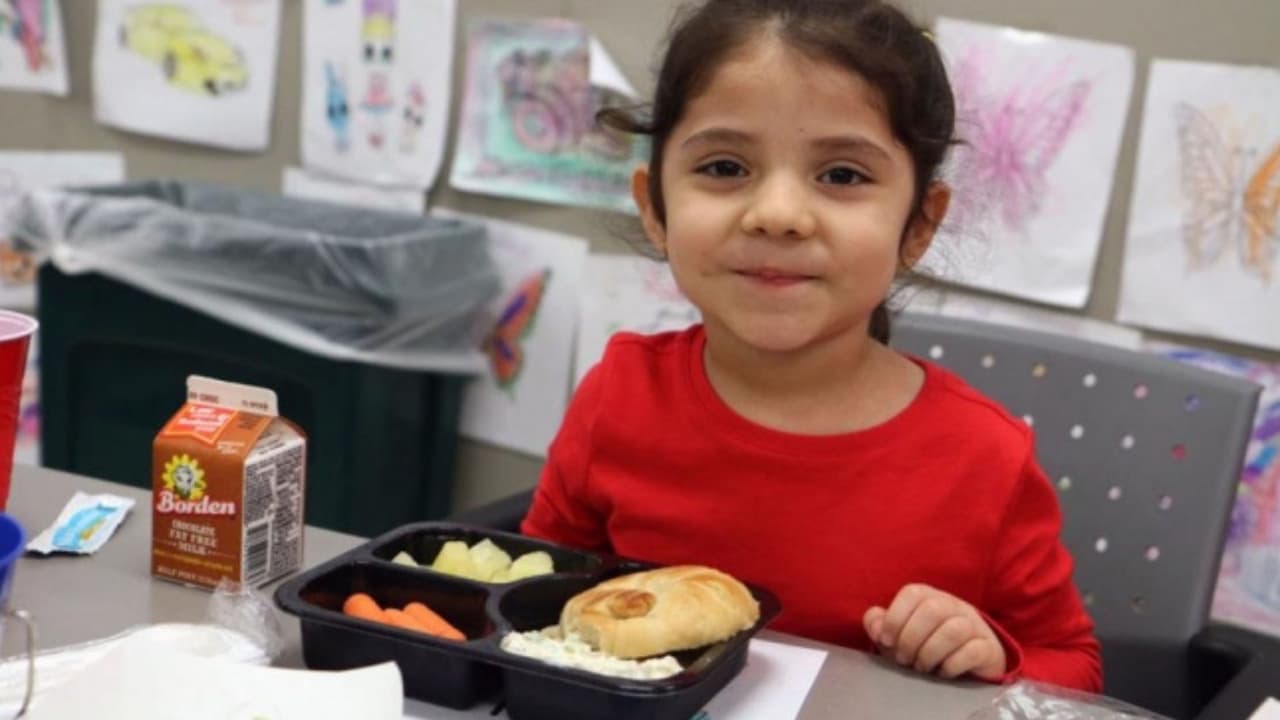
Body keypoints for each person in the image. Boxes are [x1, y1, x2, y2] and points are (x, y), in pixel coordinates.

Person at [522, 0, 1101, 691]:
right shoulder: (619, 394)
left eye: (843, 176)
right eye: (726, 166)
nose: (779, 215)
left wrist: (992, 655)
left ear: (918, 226)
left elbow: (1074, 671)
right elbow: (534, 604)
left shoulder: (984, 457)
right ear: (655, 207)